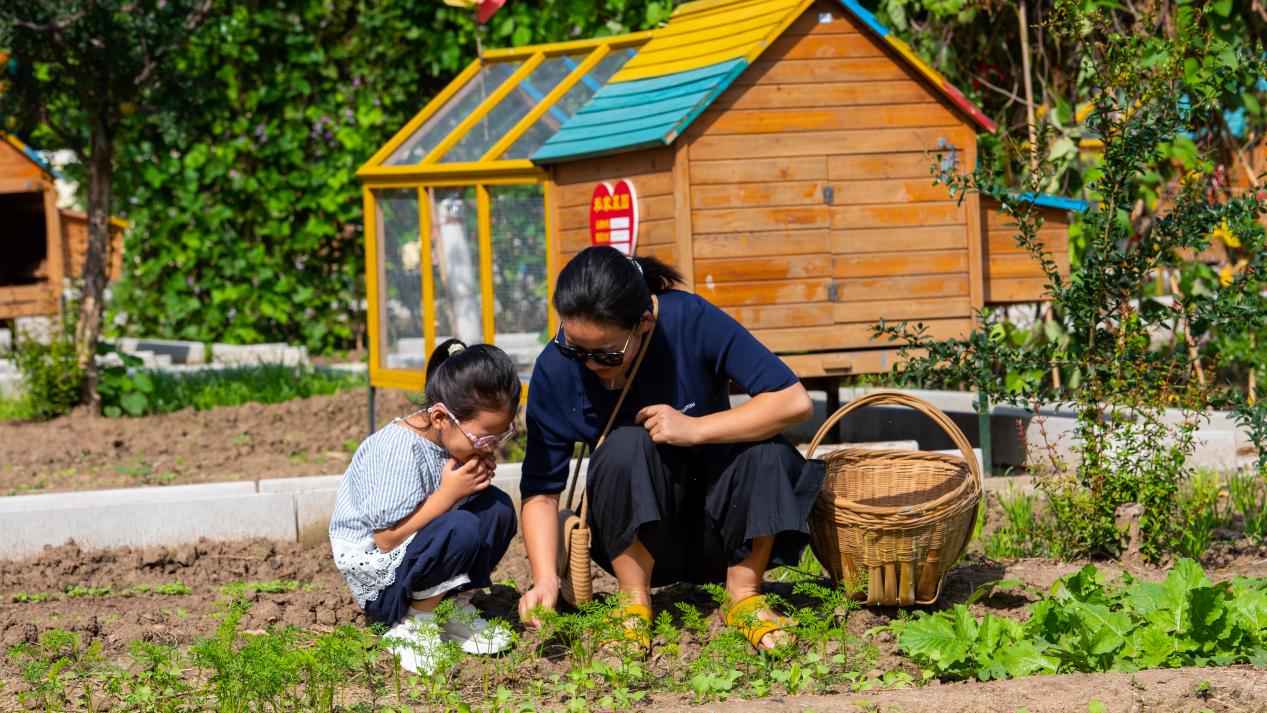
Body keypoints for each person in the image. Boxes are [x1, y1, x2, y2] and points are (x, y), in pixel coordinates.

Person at [517, 245, 820, 651]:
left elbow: (793, 401)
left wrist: (694, 429)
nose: (588, 363)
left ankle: (743, 595)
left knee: (767, 451)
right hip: (636, 541)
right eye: (575, 348)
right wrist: (545, 579)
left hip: (725, 531)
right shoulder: (555, 369)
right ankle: (633, 603)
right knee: (626, 443)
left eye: (605, 353)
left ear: (643, 322)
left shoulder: (689, 320)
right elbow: (540, 489)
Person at [329, 339, 520, 673]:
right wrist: (449, 494)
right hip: (384, 585)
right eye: (484, 438)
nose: (491, 447)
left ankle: (452, 612)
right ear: (440, 417)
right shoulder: (397, 449)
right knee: (462, 526)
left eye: (499, 437)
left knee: (497, 508)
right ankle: (413, 626)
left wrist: (469, 487)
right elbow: (387, 540)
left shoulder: (452, 441)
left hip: (418, 561)